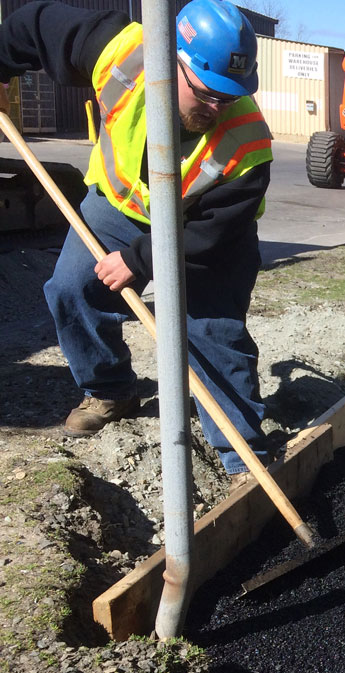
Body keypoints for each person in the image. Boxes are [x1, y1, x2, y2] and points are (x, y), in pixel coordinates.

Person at [0, 0, 273, 483]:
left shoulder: (248, 141)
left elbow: (214, 233)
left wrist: (141, 260)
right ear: (173, 61)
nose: (216, 108)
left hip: (206, 237)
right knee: (70, 289)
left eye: (228, 98)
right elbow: (33, 22)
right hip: (118, 206)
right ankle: (110, 389)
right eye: (207, 94)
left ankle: (241, 458)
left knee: (211, 331)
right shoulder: (119, 52)